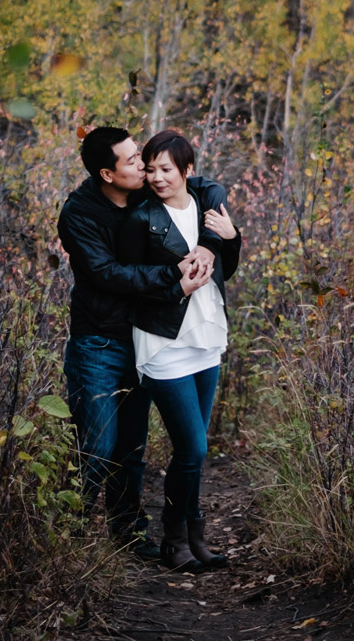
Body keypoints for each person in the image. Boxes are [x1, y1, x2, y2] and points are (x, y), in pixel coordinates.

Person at [57, 126, 216, 559]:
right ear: (108, 174)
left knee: (131, 446)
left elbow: (201, 183)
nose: (144, 167)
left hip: (143, 338)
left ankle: (127, 532)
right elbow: (107, 274)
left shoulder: (147, 191)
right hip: (99, 344)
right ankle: (66, 540)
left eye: (142, 158)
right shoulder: (79, 214)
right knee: (98, 444)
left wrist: (210, 243)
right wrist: (172, 279)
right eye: (133, 161)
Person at [118, 129, 242, 573]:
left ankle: (194, 534)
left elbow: (226, 263)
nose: (155, 177)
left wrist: (231, 235)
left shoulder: (207, 208)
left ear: (187, 171)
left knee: (194, 450)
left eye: (165, 169)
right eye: (149, 169)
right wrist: (175, 285)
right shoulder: (140, 220)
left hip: (205, 336)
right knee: (193, 447)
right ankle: (173, 537)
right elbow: (130, 283)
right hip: (163, 342)